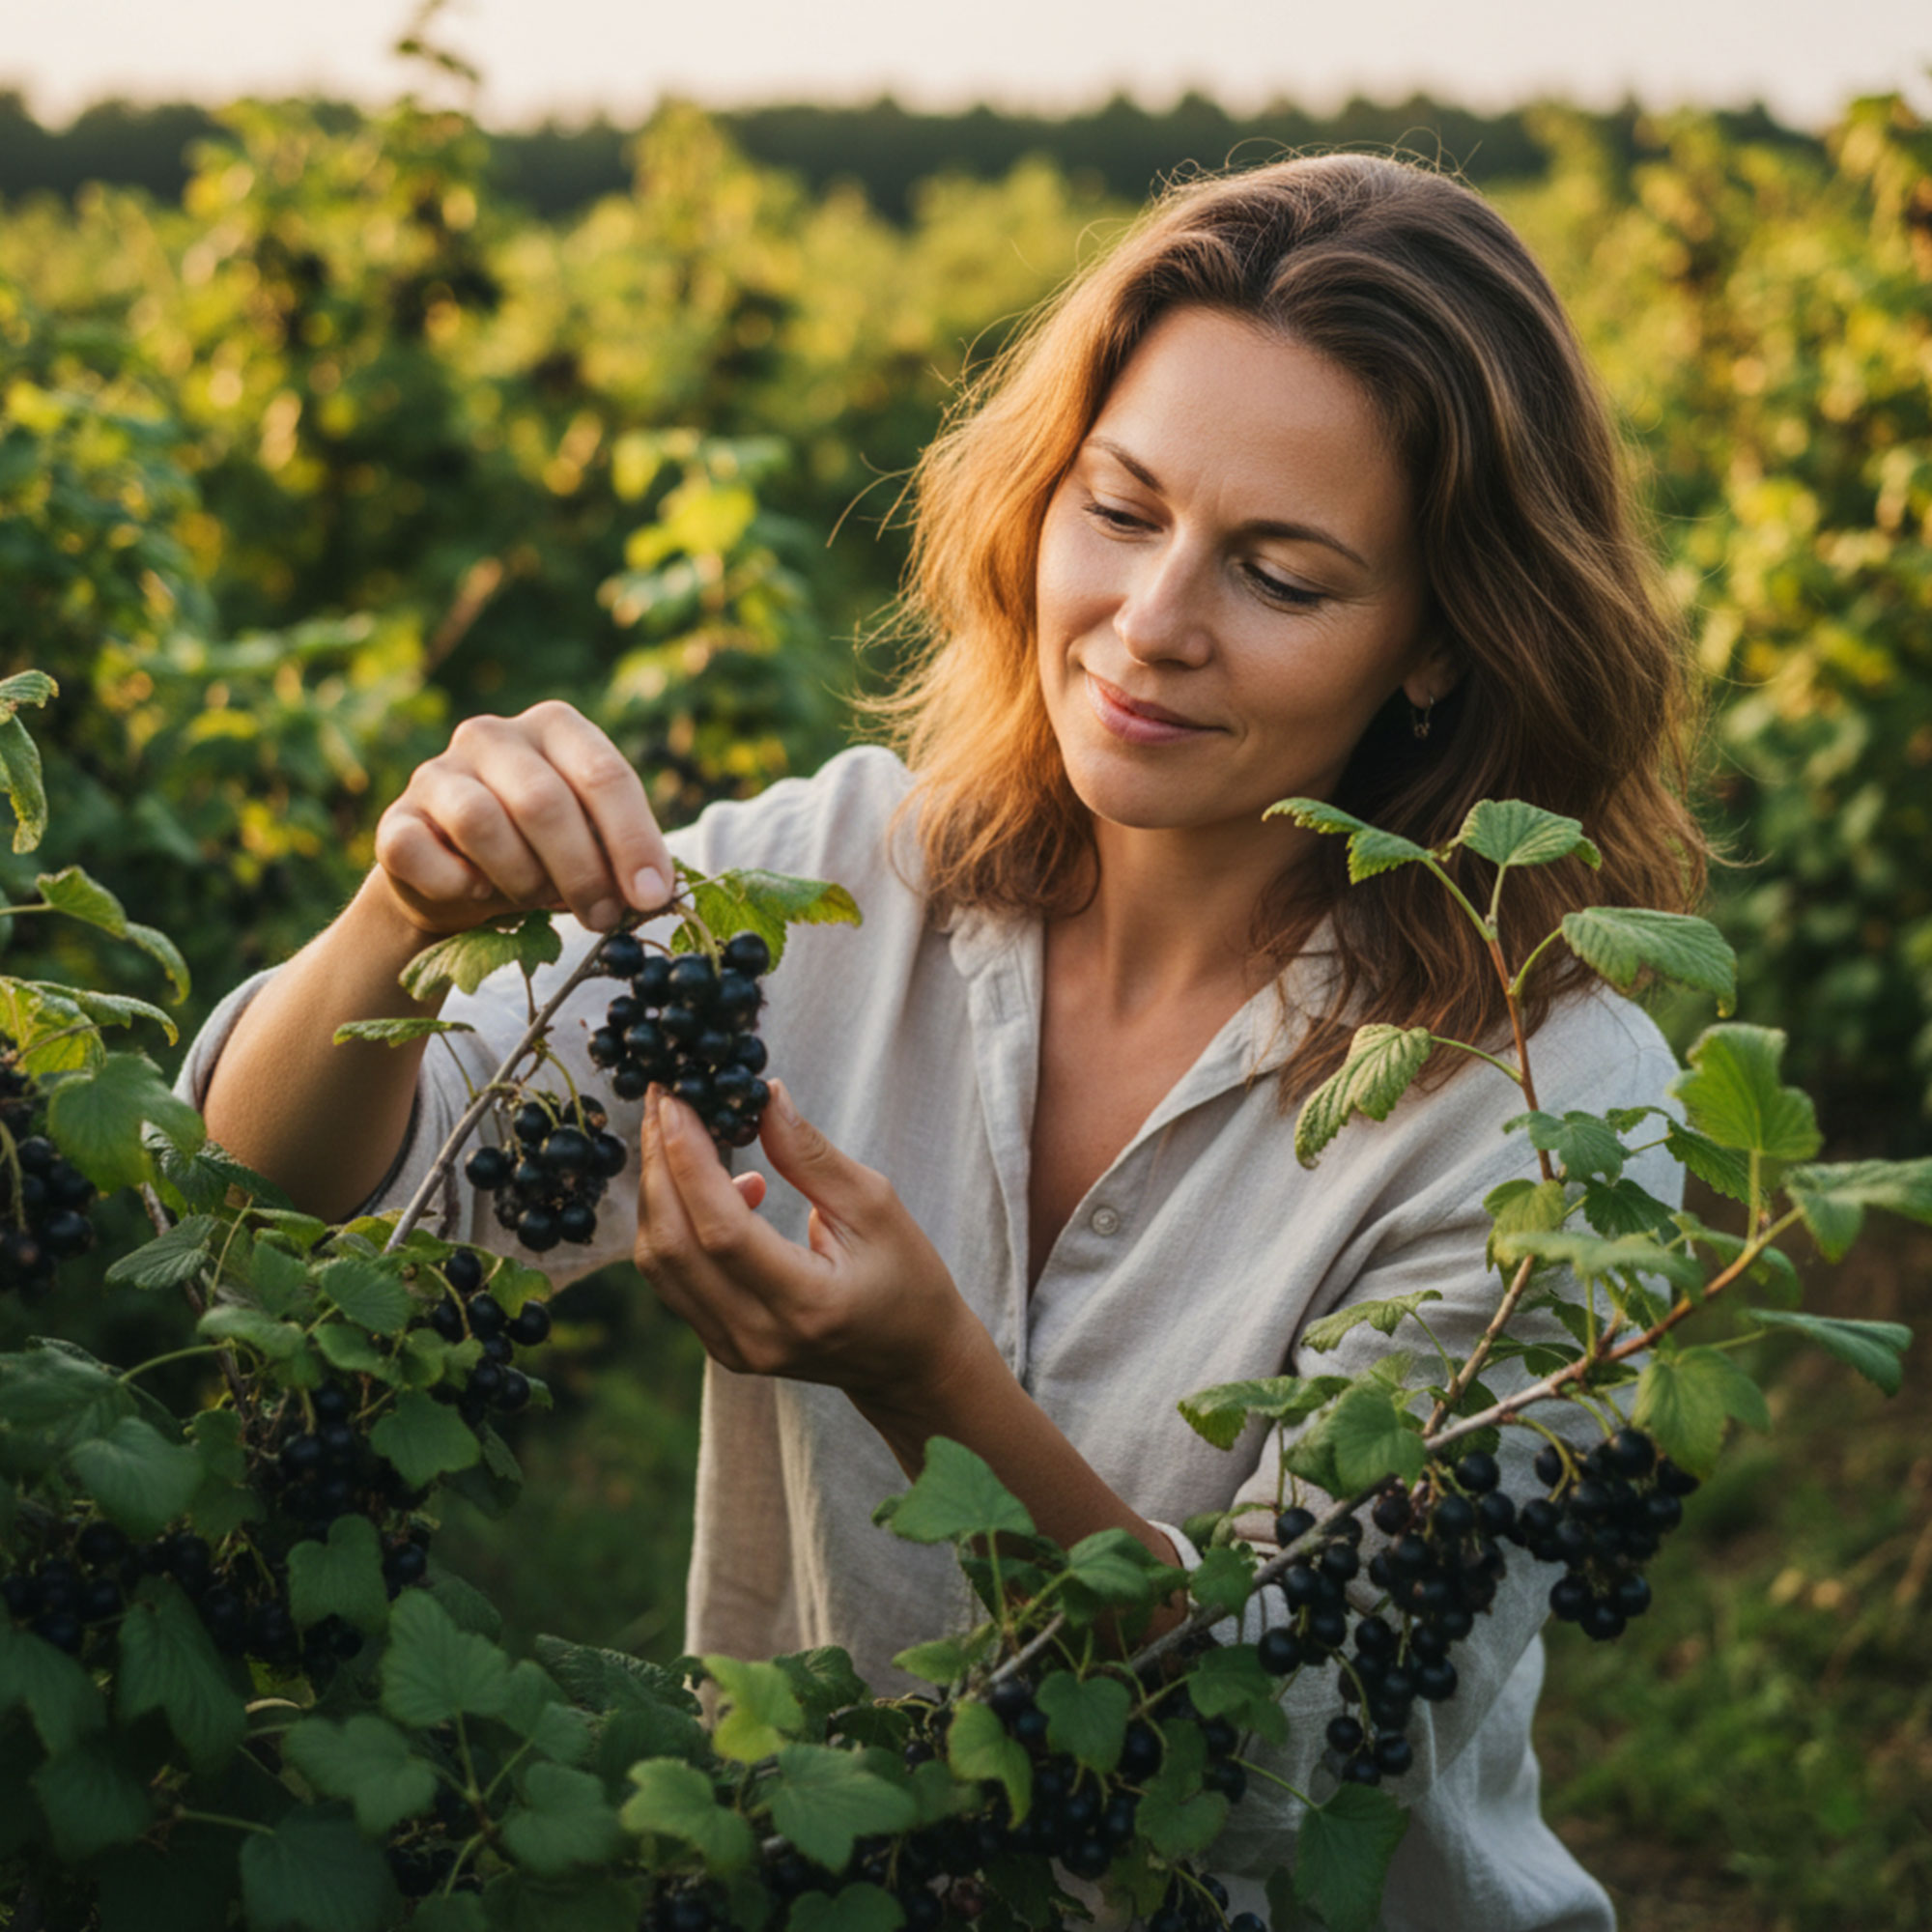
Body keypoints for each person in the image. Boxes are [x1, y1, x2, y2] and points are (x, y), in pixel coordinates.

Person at [185, 154, 1704, 1928]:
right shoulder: (831, 881)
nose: (1151, 626)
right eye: (1120, 511)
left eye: (1281, 575)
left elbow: (1273, 1752)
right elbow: (284, 1195)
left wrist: (933, 1390)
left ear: (1442, 647)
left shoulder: (1549, 1112)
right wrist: (401, 916)